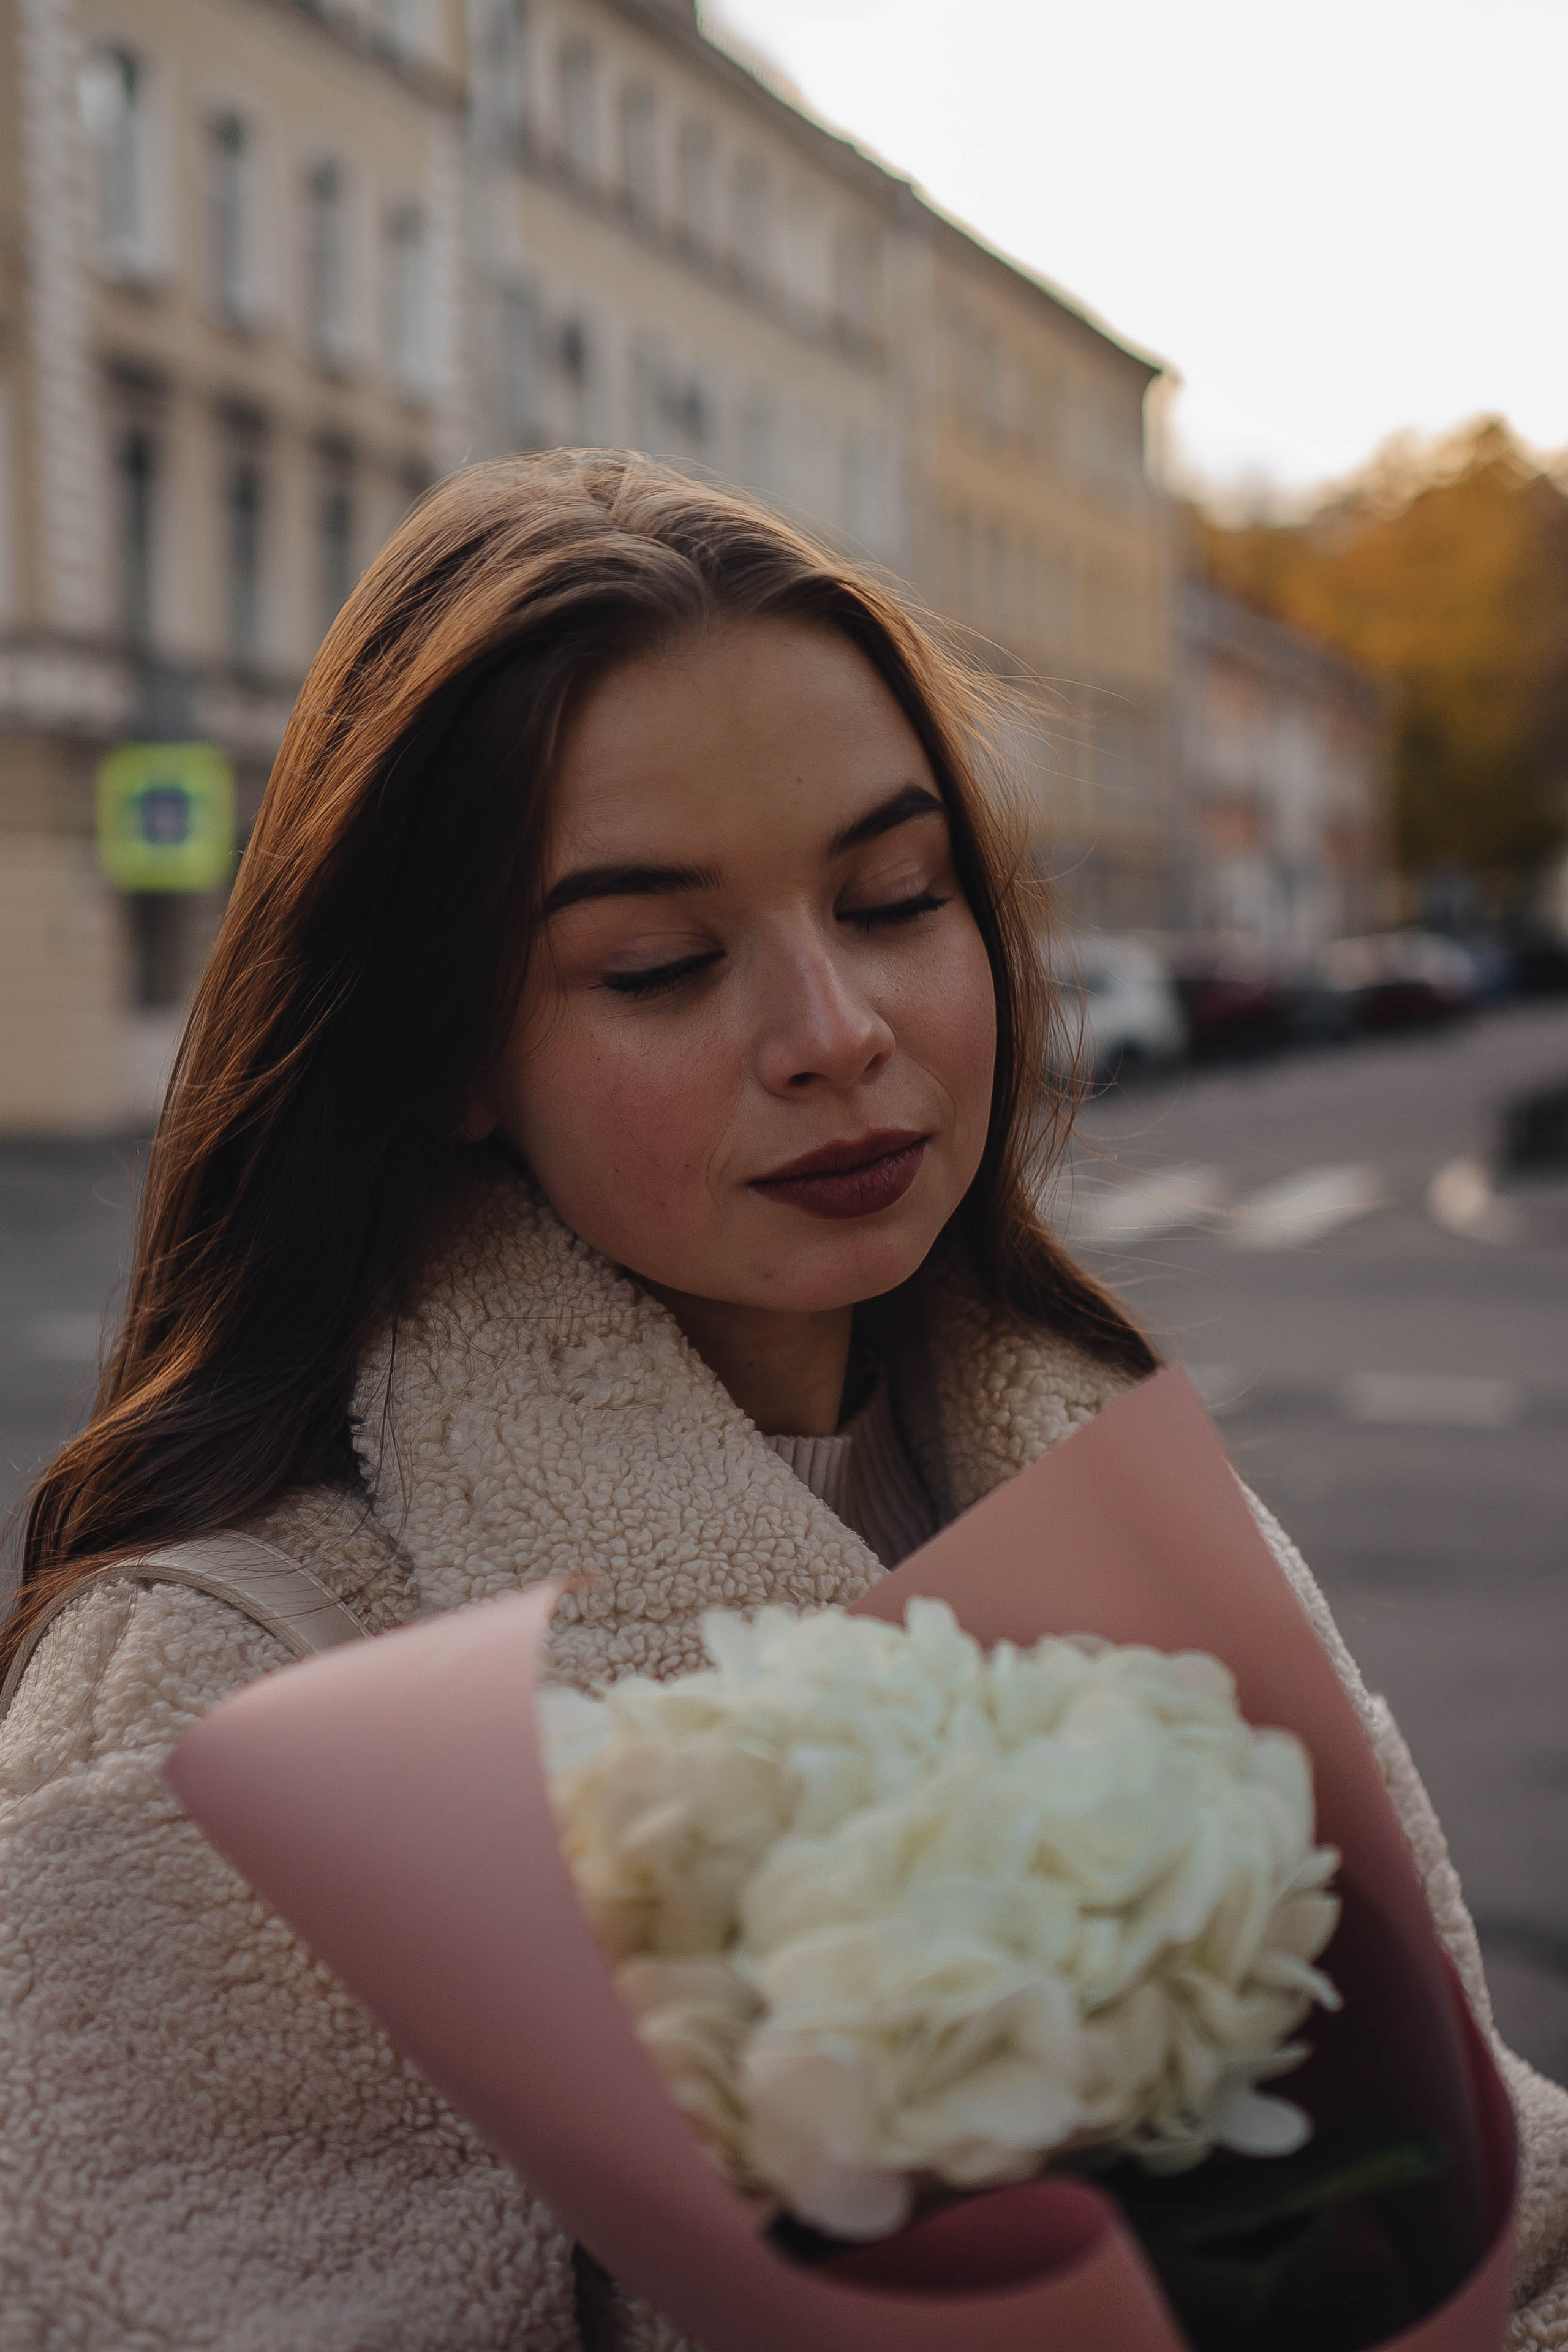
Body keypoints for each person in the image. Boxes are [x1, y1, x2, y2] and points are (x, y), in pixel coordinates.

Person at [0, 451, 1562, 2351]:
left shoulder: (1119, 1494)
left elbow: (1486, 2186)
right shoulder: (210, 1702)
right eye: (660, 962)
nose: (838, 1034)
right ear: (445, 1050)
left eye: (895, 897)